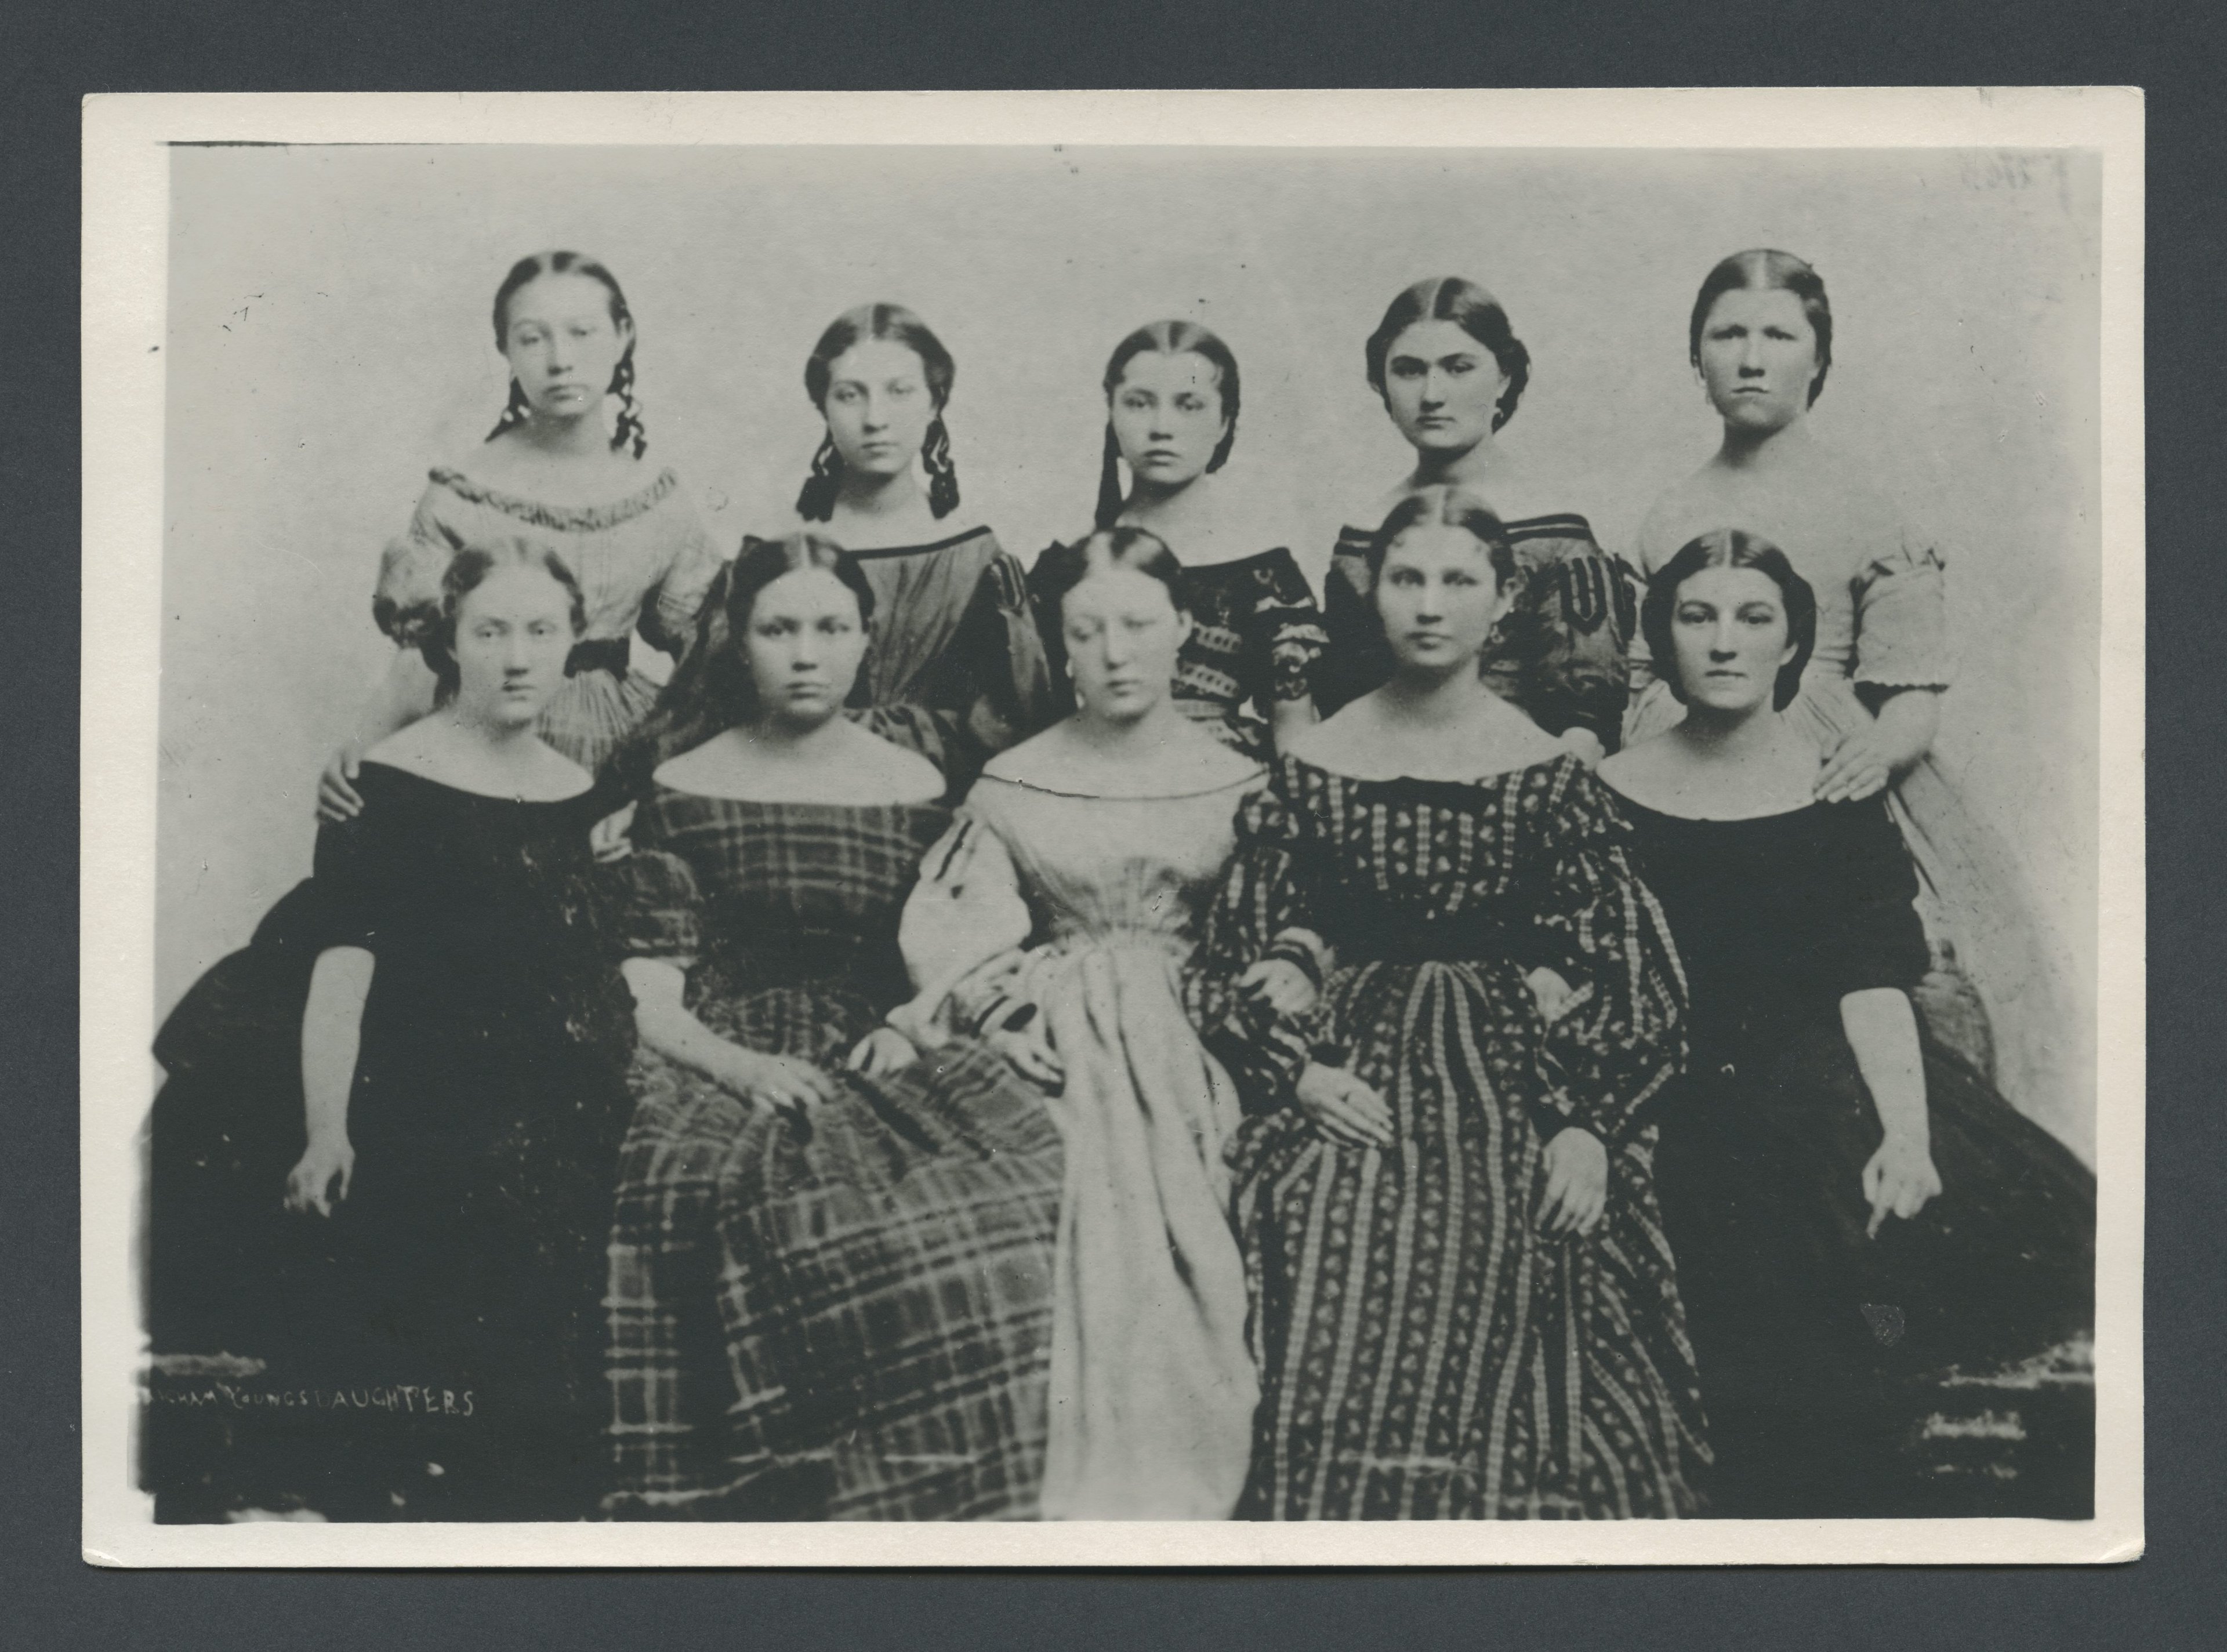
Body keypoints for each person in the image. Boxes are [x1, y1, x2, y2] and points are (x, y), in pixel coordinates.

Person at [1200, 486, 1704, 1520]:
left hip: (1517, 1069)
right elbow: (1238, 952)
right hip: (1350, 1060)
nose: (1431, 604)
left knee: (1531, 1237)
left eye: (1459, 579)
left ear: (1505, 599)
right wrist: (1299, 1069)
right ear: (1372, 594)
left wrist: (1589, 1126)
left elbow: (1624, 966)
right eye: (1406, 578)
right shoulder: (1311, 771)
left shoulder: (1549, 778)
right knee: (1313, 1219)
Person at [1601, 529, 2097, 1519]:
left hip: (1816, 1076)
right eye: (1697, 616)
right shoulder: (1608, 792)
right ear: (1663, 637)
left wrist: (1907, 1132)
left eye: (1755, 617)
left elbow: (1869, 978)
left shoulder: (1833, 788)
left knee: (1879, 1255)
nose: (1726, 642)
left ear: (1792, 644)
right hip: (1671, 1078)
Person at [143, 539, 639, 1522]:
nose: (516, 655)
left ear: (574, 642)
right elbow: (345, 963)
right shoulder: (390, 779)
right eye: (490, 630)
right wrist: (328, 1124)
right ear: (450, 642)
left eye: (542, 631)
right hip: (402, 1061)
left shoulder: (577, 791)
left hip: (529, 1070)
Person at [601, 532, 1065, 1521]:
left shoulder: (918, 785)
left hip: (882, 1042)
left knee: (1005, 1203)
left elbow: (948, 950)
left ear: (866, 640)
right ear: (739, 641)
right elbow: (649, 993)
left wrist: (912, 1021)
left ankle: (943, 1498)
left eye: (829, 627)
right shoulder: (681, 786)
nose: (805, 652)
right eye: (779, 628)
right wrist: (740, 1066)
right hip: (718, 1047)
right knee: (721, 1193)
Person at [1629, 248, 2083, 1153]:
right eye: (1727, 334)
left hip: (1837, 770)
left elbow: (1911, 690)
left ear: (1818, 360)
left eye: (1777, 334)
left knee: (1895, 978)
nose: (1751, 357)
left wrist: (1871, 755)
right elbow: (1648, 678)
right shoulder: (1668, 513)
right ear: (1696, 360)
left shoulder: (1862, 507)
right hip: (1692, 766)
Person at [888, 527, 1268, 1519]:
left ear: (1185, 627)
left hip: (1202, 1027)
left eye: (1139, 624)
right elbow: (960, 933)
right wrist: (992, 1010)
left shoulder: (1242, 779)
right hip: (1051, 1030)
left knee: (1198, 1209)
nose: (1116, 651)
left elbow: (1271, 931)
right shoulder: (1015, 780)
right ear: (1059, 644)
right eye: (1087, 630)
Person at [318, 250, 725, 818]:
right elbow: (418, 658)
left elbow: (712, 655)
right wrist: (362, 748)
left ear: (623, 336)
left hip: (624, 755)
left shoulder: (656, 498)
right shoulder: (465, 494)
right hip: (484, 748)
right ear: (505, 349)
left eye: (582, 333)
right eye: (533, 338)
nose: (561, 360)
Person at [1314, 278, 1634, 760]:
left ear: (1504, 376)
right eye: (1408, 371)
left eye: (1458, 368)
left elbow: (1584, 727)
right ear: (1381, 382)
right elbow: (1344, 711)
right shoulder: (1363, 533)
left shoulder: (1557, 534)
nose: (1432, 394)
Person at [765, 302, 1054, 787]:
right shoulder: (778, 550)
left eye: (900, 392)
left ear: (934, 401)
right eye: (850, 395)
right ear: (823, 404)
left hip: (939, 789)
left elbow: (1013, 723)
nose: (876, 419)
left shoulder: (975, 555)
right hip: (797, 784)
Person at [1067, 319, 1325, 761]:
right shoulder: (1072, 564)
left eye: (1189, 405)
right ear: (1112, 413)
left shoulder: (1265, 575)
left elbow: (1295, 728)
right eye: (1139, 403)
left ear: (1225, 421)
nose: (1162, 427)